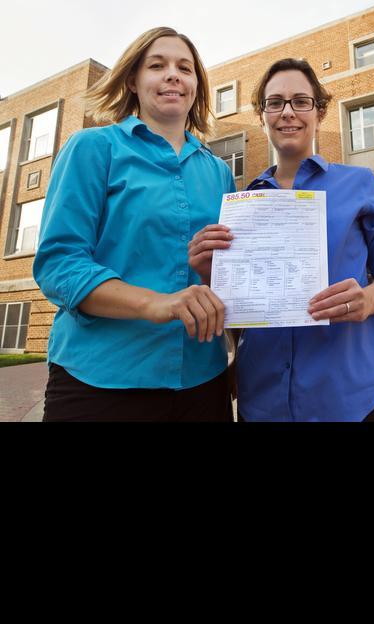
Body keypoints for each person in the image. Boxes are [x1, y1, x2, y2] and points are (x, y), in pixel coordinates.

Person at [188, 58, 374, 422]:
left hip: (352, 394)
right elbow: (240, 307)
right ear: (262, 117)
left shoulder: (358, 184)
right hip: (264, 397)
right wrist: (209, 272)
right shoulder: (242, 204)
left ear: (319, 112)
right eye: (275, 103)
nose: (287, 112)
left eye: (300, 101)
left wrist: (369, 299)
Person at [33, 27, 235, 422]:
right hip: (100, 382)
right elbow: (60, 265)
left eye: (185, 68)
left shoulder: (218, 172)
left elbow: (228, 277)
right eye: (157, 66)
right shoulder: (93, 147)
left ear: (196, 84)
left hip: (202, 382)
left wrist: (217, 275)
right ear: (132, 80)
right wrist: (157, 303)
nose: (173, 75)